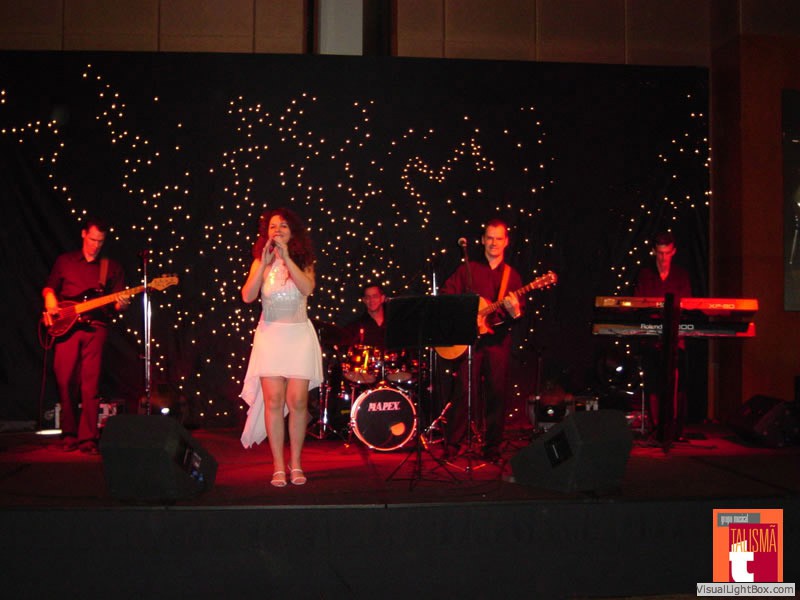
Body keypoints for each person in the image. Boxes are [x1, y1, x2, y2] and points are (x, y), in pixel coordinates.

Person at [239, 207, 323, 487]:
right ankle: (278, 466)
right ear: (266, 233)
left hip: (298, 336)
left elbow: (307, 289)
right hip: (270, 336)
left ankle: (296, 463)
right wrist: (264, 264)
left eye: (283, 226)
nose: (277, 230)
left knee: (297, 402)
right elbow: (247, 296)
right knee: (274, 402)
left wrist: (286, 258)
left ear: (292, 232)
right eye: (273, 226)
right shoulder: (259, 261)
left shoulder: (304, 260)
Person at [42, 217, 130, 455]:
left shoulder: (111, 267)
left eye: (100, 241)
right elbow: (50, 286)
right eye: (92, 240)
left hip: (96, 327)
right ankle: (69, 433)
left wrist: (122, 304)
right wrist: (50, 298)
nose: (95, 245)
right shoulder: (65, 261)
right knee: (64, 379)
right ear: (83, 234)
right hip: (67, 327)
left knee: (91, 383)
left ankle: (88, 437)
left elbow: (118, 304)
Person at [440, 218, 524, 462]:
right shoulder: (468, 269)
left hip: (498, 342)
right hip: (469, 341)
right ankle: (453, 444)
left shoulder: (512, 276)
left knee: (497, 393)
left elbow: (518, 315)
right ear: (482, 240)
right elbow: (446, 296)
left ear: (506, 242)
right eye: (490, 238)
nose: (494, 243)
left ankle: (492, 447)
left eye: (499, 238)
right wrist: (465, 316)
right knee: (463, 391)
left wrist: (515, 310)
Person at [634, 231, 693, 440]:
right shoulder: (645, 275)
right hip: (651, 338)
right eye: (660, 253)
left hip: (676, 338)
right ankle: (656, 427)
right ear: (654, 252)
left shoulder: (681, 275)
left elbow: (688, 304)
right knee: (653, 382)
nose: (663, 258)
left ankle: (674, 428)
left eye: (667, 253)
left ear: (673, 252)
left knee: (678, 382)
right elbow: (637, 303)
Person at [343, 283, 387, 348]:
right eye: (368, 297)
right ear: (364, 300)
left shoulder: (394, 323)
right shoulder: (355, 327)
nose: (371, 300)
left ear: (382, 298)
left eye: (375, 296)